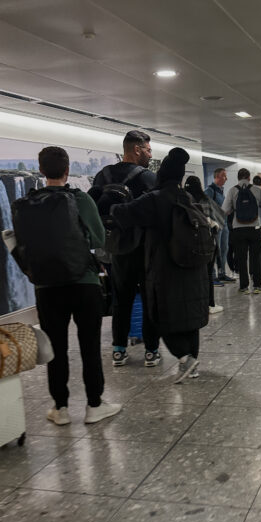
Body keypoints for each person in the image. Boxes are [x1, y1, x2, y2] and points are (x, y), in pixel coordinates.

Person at [13, 146, 121, 425]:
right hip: (84, 283)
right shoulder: (80, 199)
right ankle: (94, 405)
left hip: (47, 288)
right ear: (67, 170)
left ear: (40, 170)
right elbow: (98, 239)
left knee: (56, 348)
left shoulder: (27, 204)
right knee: (89, 346)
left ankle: (60, 408)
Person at [111, 147, 208, 383]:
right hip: (192, 267)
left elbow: (122, 214)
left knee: (159, 318)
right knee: (188, 321)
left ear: (161, 174)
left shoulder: (154, 199)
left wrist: (111, 201)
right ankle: (191, 364)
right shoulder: (188, 198)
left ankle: (185, 359)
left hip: (165, 270)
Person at [90, 130, 161, 368]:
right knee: (150, 299)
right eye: (148, 150)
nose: (150, 155)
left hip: (116, 249)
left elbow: (93, 211)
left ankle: (119, 350)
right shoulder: (147, 178)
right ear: (137, 149)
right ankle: (151, 351)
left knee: (121, 299)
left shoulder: (103, 175)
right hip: (144, 248)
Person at [223, 168, 261, 294]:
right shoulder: (257, 190)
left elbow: (225, 210)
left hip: (238, 229)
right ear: (249, 178)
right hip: (255, 228)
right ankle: (257, 286)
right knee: (256, 257)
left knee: (241, 258)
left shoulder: (232, 190)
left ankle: (244, 287)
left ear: (238, 177)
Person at [184, 175, 225, 315]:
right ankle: (209, 304)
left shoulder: (183, 199)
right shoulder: (205, 200)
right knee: (207, 275)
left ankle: (192, 305)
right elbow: (220, 219)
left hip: (187, 244)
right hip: (206, 244)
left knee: (190, 276)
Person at [205, 168, 235, 284]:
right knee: (214, 250)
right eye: (224, 176)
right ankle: (212, 276)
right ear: (217, 176)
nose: (226, 178)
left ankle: (222, 273)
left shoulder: (221, 191)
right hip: (215, 225)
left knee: (224, 249)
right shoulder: (210, 190)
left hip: (224, 224)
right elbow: (205, 206)